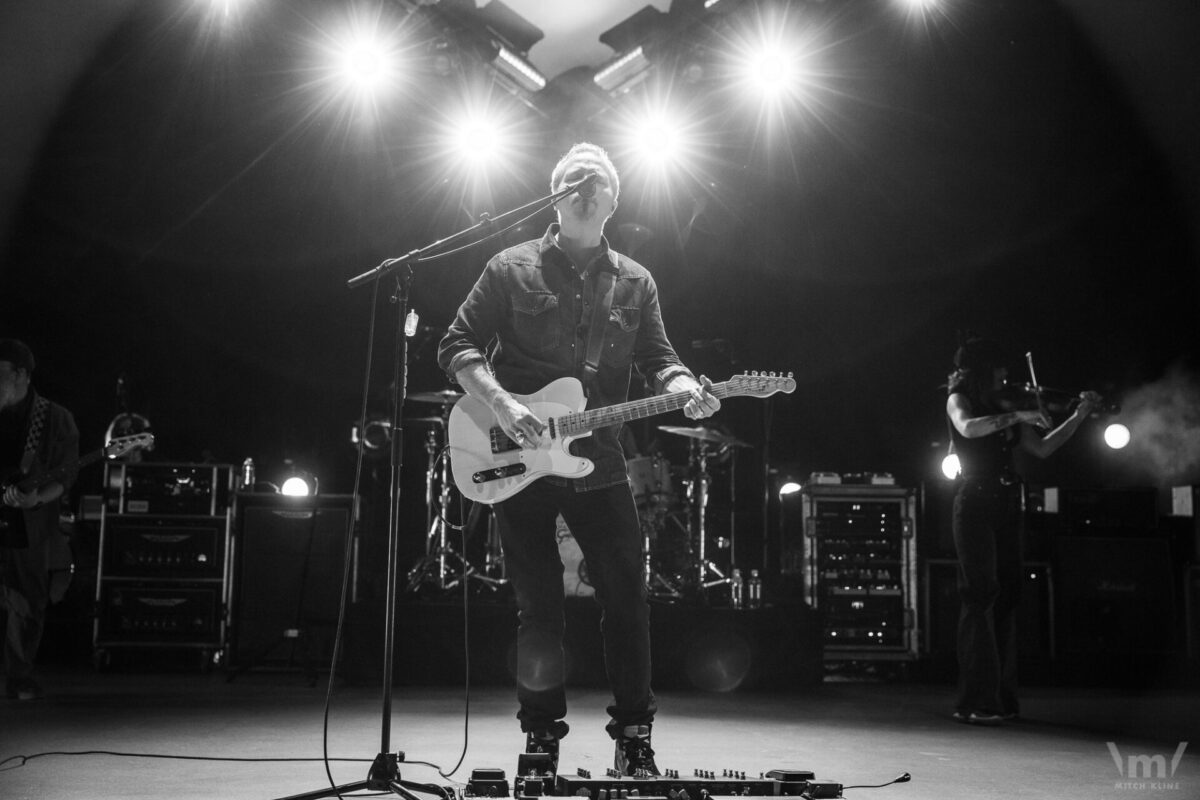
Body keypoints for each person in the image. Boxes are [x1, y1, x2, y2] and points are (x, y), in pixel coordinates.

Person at [437, 143, 720, 775]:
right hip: (519, 462)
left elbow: (660, 358)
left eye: (595, 181)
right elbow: (454, 343)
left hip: (602, 460)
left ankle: (635, 739)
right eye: (569, 178)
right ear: (554, 195)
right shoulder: (508, 267)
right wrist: (505, 406)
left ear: (613, 200)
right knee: (539, 606)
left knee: (626, 598)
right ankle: (540, 740)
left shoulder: (636, 280)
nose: (583, 185)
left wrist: (683, 390)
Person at [945, 336, 1097, 725]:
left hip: (1010, 502)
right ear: (981, 368)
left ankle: (1002, 699)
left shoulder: (1005, 405)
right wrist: (1019, 416)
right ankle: (974, 701)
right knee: (980, 594)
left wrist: (1078, 416)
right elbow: (967, 429)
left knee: (1008, 595)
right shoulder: (959, 398)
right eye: (998, 367)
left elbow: (1042, 449)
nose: (1005, 374)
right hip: (974, 502)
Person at [1, 339, 79, 701]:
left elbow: (65, 477)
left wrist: (35, 498)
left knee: (26, 600)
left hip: (28, 522)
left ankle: (18, 676)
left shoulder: (54, 418)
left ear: (20, 374)